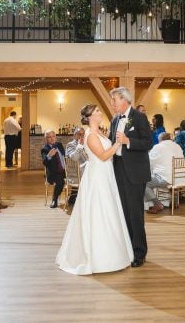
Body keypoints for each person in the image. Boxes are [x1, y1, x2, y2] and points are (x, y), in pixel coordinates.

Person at [56, 104, 134, 275]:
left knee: (109, 210)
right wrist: (118, 143)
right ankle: (98, 258)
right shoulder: (90, 135)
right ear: (90, 117)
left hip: (106, 175)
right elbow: (104, 156)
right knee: (99, 211)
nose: (100, 113)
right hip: (98, 176)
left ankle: (115, 253)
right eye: (97, 111)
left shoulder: (100, 133)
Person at [109, 86, 152, 268]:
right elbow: (113, 143)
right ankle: (127, 249)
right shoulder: (114, 120)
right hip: (118, 170)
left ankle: (139, 253)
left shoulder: (139, 117)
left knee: (135, 213)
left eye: (114, 100)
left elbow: (148, 142)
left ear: (124, 99)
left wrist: (129, 142)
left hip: (135, 172)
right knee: (123, 212)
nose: (112, 103)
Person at [145, 132, 183, 214]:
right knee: (169, 175)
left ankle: (157, 204)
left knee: (144, 183)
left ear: (160, 140)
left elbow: (148, 161)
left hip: (168, 179)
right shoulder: (177, 146)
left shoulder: (158, 147)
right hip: (181, 177)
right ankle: (175, 202)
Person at [41, 130, 66, 209]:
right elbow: (44, 162)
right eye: (49, 137)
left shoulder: (59, 145)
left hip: (64, 170)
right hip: (53, 173)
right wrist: (49, 155)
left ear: (55, 137)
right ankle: (54, 200)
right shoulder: (45, 149)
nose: (52, 139)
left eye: (53, 136)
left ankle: (72, 198)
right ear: (46, 139)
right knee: (60, 181)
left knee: (76, 177)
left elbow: (64, 156)